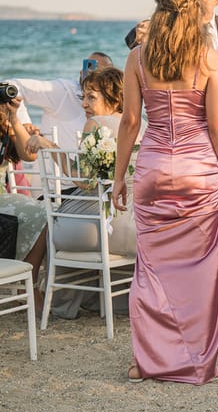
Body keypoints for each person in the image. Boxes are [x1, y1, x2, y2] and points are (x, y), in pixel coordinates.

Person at [112, 0, 218, 384]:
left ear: (158, 10)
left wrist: (119, 179)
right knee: (203, 274)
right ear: (195, 11)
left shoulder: (137, 58)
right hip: (198, 174)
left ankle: (145, 363)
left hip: (152, 170)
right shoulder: (210, 58)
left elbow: (131, 121)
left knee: (151, 271)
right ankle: (199, 361)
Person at [27, 67, 138, 319]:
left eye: (92, 97)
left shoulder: (95, 124)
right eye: (83, 97)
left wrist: (50, 147)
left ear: (114, 97)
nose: (85, 104)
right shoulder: (137, 124)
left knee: (55, 219)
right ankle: (99, 296)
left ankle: (54, 297)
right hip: (133, 224)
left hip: (103, 228)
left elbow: (84, 182)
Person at [11, 52, 114, 151]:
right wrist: (24, 123)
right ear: (82, 72)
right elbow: (12, 85)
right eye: (92, 69)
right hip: (55, 168)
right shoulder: (64, 91)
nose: (96, 76)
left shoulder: (113, 106)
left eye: (105, 74)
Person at [0, 95, 47, 296]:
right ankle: (28, 288)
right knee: (44, 214)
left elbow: (30, 155)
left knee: (48, 213)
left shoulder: (6, 123)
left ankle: (27, 281)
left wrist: (14, 118)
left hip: (2, 196)